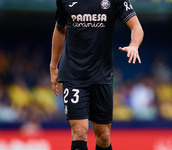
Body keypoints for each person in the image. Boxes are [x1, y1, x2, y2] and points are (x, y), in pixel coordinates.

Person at [50, 0, 143, 149]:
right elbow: (60, 29)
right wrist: (53, 65)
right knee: (79, 131)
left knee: (104, 136)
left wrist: (134, 45)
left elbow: (137, 27)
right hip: (74, 74)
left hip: (102, 75)